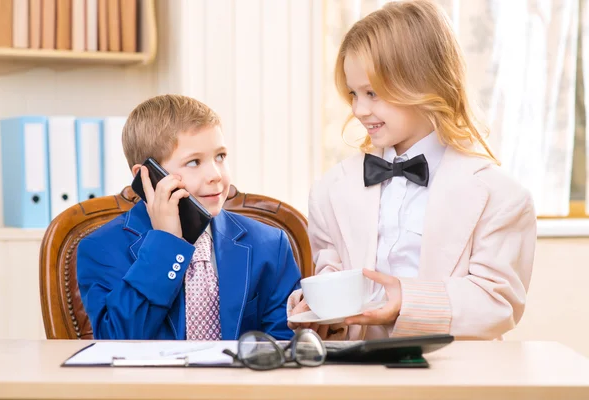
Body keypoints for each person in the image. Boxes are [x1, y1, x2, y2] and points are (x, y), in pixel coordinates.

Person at [289, 0, 536, 341]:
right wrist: (319, 311)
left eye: (372, 93)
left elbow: (498, 304)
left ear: (424, 84)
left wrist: (408, 301)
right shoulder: (330, 190)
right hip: (357, 382)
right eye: (353, 94)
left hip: (454, 380)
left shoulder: (501, 197)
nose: (359, 109)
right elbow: (333, 273)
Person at [77, 94, 301, 340]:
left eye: (220, 157)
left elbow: (284, 344)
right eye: (194, 162)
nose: (215, 175)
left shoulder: (270, 245)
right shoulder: (100, 249)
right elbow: (118, 341)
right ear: (147, 177)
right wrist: (165, 243)